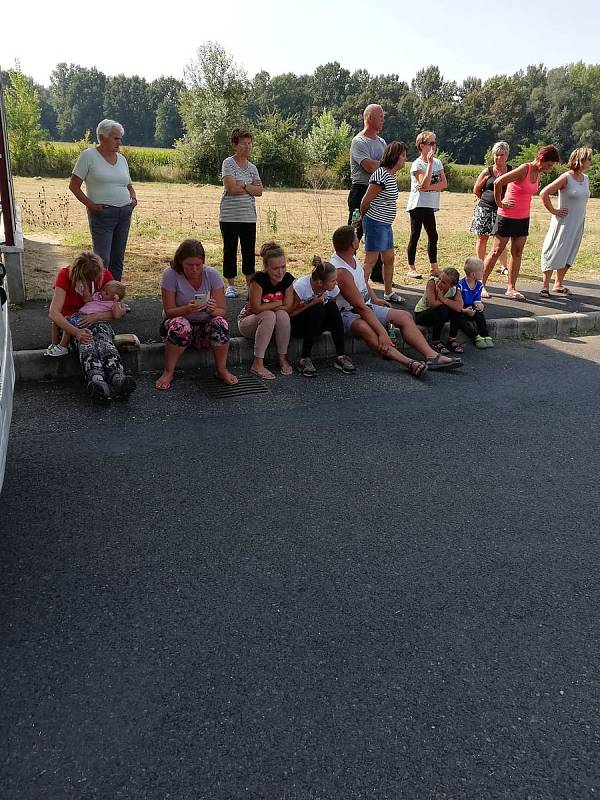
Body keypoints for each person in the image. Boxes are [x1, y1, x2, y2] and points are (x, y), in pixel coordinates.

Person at [331, 225, 462, 376]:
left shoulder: (349, 256)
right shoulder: (341, 272)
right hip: (345, 313)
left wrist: (375, 299)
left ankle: (432, 356)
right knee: (364, 327)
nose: (358, 238)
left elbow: (362, 281)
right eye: (356, 237)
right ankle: (408, 362)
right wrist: (382, 333)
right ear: (353, 244)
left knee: (404, 316)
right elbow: (360, 307)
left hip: (364, 306)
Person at [48, 251, 136, 404]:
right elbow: (54, 313)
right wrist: (76, 332)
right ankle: (97, 380)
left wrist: (95, 317)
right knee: (86, 340)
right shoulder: (64, 275)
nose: (94, 281)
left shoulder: (104, 276)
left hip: (97, 321)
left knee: (103, 338)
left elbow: (116, 312)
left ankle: (118, 377)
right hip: (72, 323)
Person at [155, 239, 238, 390]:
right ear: (180, 262)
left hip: (203, 328)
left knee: (220, 323)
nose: (194, 269)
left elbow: (222, 311)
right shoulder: (170, 275)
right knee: (181, 325)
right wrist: (186, 309)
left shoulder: (212, 275)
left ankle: (221, 369)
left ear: (203, 262)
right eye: (189, 265)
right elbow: (169, 312)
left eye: (198, 265)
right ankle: (168, 371)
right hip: (175, 328)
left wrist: (212, 310)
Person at [482, 144, 561, 301]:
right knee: (497, 251)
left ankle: (511, 288)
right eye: (549, 164)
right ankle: (479, 285)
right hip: (506, 215)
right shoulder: (525, 169)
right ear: (541, 159)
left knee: (517, 253)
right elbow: (499, 182)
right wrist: (499, 202)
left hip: (523, 217)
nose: (549, 168)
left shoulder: (538, 172)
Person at [69, 119, 136, 281]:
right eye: (115, 138)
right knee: (101, 260)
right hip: (103, 214)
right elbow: (74, 186)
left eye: (120, 138)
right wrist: (92, 206)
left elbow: (128, 184)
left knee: (117, 260)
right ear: (102, 137)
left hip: (124, 213)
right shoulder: (88, 156)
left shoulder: (122, 159)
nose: (119, 142)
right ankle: (98, 296)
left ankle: (114, 296)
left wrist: (133, 199)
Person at [289, 256, 356, 377]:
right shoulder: (300, 287)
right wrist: (311, 304)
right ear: (320, 282)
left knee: (331, 307)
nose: (336, 283)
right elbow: (290, 314)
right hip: (298, 325)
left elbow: (332, 311)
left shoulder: (333, 289)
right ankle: (304, 358)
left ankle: (341, 356)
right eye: (332, 281)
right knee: (318, 307)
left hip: (316, 324)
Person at [359, 141, 407, 303]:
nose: (405, 159)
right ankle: (360, 295)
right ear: (394, 156)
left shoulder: (390, 175)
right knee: (370, 261)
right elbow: (366, 200)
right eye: (402, 155)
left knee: (389, 259)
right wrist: (362, 219)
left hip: (385, 225)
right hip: (375, 223)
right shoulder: (381, 174)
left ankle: (388, 292)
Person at [540, 147, 593, 296]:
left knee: (570, 251)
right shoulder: (566, 177)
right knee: (554, 249)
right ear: (580, 160)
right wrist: (554, 211)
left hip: (578, 222)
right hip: (563, 222)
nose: (591, 162)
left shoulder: (586, 179)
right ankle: (545, 285)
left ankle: (558, 283)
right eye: (588, 158)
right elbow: (544, 193)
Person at [238, 242, 294, 380]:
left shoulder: (287, 279)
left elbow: (289, 306)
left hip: (271, 320)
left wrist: (269, 305)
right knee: (269, 315)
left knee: (282, 315)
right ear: (266, 267)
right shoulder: (258, 280)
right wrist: (279, 302)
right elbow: (256, 309)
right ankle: (257, 363)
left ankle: (282, 358)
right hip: (248, 321)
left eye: (283, 267)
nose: (280, 272)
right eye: (275, 268)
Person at [219, 128, 263, 298]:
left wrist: (244, 185)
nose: (247, 146)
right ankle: (230, 285)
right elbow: (230, 188)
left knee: (249, 250)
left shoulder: (252, 167)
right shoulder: (228, 163)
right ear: (235, 145)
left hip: (248, 217)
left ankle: (250, 284)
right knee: (230, 249)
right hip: (230, 216)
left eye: (249, 143)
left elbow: (259, 191)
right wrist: (249, 187)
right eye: (244, 143)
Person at [348, 104, 386, 283]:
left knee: (378, 232)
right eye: (380, 116)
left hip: (378, 191)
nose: (383, 120)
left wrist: (384, 166)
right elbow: (369, 166)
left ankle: (377, 275)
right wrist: (386, 165)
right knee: (354, 233)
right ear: (369, 118)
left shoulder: (382, 142)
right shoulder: (359, 141)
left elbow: (385, 168)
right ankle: (347, 271)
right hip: (361, 190)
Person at [405, 131, 448, 280]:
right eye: (431, 143)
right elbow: (424, 183)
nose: (434, 146)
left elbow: (444, 183)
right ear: (422, 146)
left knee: (433, 236)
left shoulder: (438, 162)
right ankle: (411, 268)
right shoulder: (417, 164)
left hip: (430, 204)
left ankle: (434, 268)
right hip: (417, 205)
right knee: (415, 235)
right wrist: (429, 164)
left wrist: (429, 186)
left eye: (435, 143)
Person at [45, 279, 126, 356]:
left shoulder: (113, 304)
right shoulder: (98, 296)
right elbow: (88, 300)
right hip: (79, 314)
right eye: (103, 289)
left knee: (68, 325)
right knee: (55, 323)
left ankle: (63, 347)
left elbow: (117, 315)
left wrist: (115, 302)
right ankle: (54, 344)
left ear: (115, 297)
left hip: (85, 319)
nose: (102, 292)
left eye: (106, 293)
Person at [470, 142, 512, 274]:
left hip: (503, 210)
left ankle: (503, 266)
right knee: (482, 238)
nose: (498, 158)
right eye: (496, 155)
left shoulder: (512, 171)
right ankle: (480, 265)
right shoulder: (487, 171)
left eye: (501, 155)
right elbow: (476, 190)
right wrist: (486, 199)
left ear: (507, 156)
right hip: (485, 209)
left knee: (501, 239)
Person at [414, 268, 465, 354]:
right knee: (443, 308)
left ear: (451, 285)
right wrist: (448, 303)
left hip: (440, 315)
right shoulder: (432, 283)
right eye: (440, 278)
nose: (439, 283)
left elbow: (459, 307)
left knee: (456, 311)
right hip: (422, 314)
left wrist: (443, 299)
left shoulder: (455, 289)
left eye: (444, 283)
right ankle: (435, 341)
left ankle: (452, 340)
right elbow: (433, 304)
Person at [455, 257, 493, 349]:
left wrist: (479, 304)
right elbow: (457, 302)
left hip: (471, 307)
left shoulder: (479, 285)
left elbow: (476, 299)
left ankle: (485, 334)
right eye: (482, 271)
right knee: (459, 319)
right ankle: (475, 336)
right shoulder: (460, 285)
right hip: (461, 307)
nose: (484, 272)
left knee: (479, 313)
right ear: (473, 274)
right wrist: (464, 310)